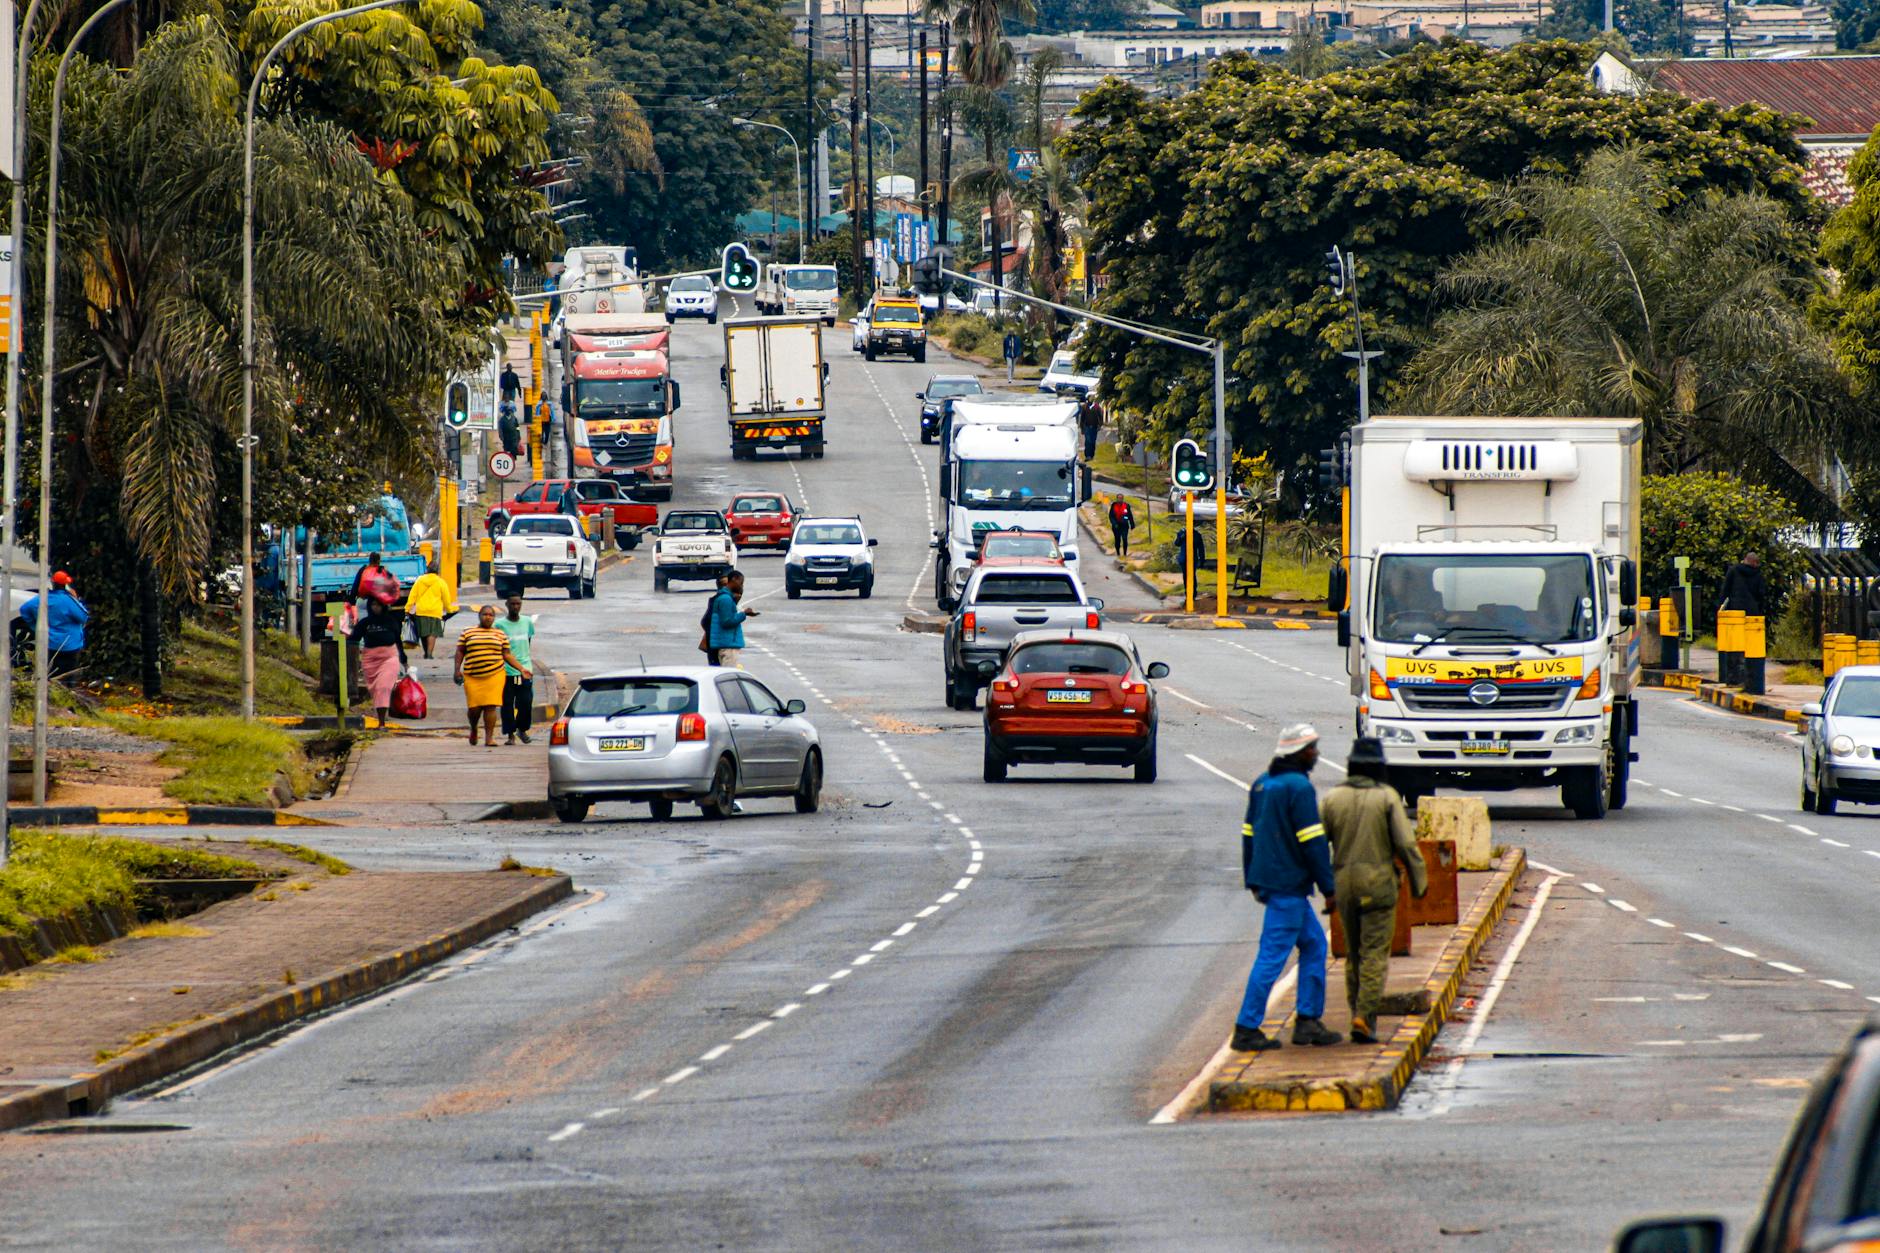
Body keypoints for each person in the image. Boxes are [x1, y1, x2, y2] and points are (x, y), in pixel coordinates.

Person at [1233, 724, 1341, 1052]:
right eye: (1312, 749)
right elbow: (1313, 842)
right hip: (1289, 887)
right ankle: (1246, 1027)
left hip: (1272, 882)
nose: (1316, 754)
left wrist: (1252, 877)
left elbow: (1248, 833)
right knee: (1272, 956)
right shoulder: (1298, 787)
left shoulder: (1262, 784)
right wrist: (1329, 888)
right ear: (1299, 753)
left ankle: (1308, 1020)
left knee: (1314, 945)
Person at [1321, 737, 1427, 1044]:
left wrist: (1324, 884)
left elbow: (1316, 843)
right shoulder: (1386, 797)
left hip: (1344, 885)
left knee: (1353, 955)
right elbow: (1406, 844)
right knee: (1375, 955)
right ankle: (1364, 1016)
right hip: (1379, 884)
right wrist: (1420, 883)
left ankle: (1357, 1012)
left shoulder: (1332, 798)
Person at [455, 604, 531, 747]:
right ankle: (474, 728)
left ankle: (489, 738)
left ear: (494, 618)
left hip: (495, 674)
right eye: (485, 614)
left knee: (490, 706)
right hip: (472, 675)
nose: (488, 617)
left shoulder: (500, 634)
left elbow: (507, 654)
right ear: (479, 616)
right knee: (474, 708)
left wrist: (521, 669)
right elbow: (460, 651)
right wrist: (457, 670)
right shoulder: (468, 632)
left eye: (491, 615)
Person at [18, 571, 90, 676]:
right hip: (70, 645)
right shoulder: (68, 600)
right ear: (65, 584)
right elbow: (83, 617)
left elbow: (24, 609)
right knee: (68, 675)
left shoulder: (42, 598)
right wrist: (76, 599)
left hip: (49, 643)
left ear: (52, 583)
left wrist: (35, 626)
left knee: (49, 674)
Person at [355, 598, 407, 727]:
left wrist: (404, 660)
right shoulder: (365, 623)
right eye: (373, 604)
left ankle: (382, 723)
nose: (375, 607)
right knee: (375, 690)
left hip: (389, 658)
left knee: (383, 687)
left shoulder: (391, 621)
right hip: (370, 660)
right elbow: (353, 639)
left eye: (378, 605)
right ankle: (381, 716)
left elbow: (398, 642)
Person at [497, 595, 537, 745]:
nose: (515, 607)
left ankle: (522, 729)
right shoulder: (499, 625)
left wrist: (525, 661)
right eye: (512, 604)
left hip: (525, 670)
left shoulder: (527, 622)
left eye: (518, 604)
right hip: (506, 671)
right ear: (506, 604)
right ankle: (510, 734)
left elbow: (528, 641)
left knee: (526, 702)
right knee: (507, 704)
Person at [405, 562, 457, 659]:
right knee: (432, 633)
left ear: (427, 570)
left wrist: (407, 608)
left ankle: (426, 652)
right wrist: (449, 610)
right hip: (434, 611)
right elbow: (446, 598)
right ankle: (429, 653)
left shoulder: (420, 580)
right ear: (437, 571)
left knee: (423, 632)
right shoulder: (441, 582)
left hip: (421, 610)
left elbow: (412, 595)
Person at [706, 570, 758, 669]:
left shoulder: (725, 598)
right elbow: (727, 621)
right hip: (728, 645)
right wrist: (743, 614)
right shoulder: (725, 599)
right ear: (733, 580)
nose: (741, 586)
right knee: (728, 674)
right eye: (741, 583)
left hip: (726, 644)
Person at [1719, 551, 1766, 618]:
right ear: (1755, 563)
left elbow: (1725, 591)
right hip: (1752, 611)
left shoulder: (1733, 570)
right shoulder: (1759, 575)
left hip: (1734, 610)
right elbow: (1761, 595)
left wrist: (1722, 608)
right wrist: (1759, 611)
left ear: (1745, 560)